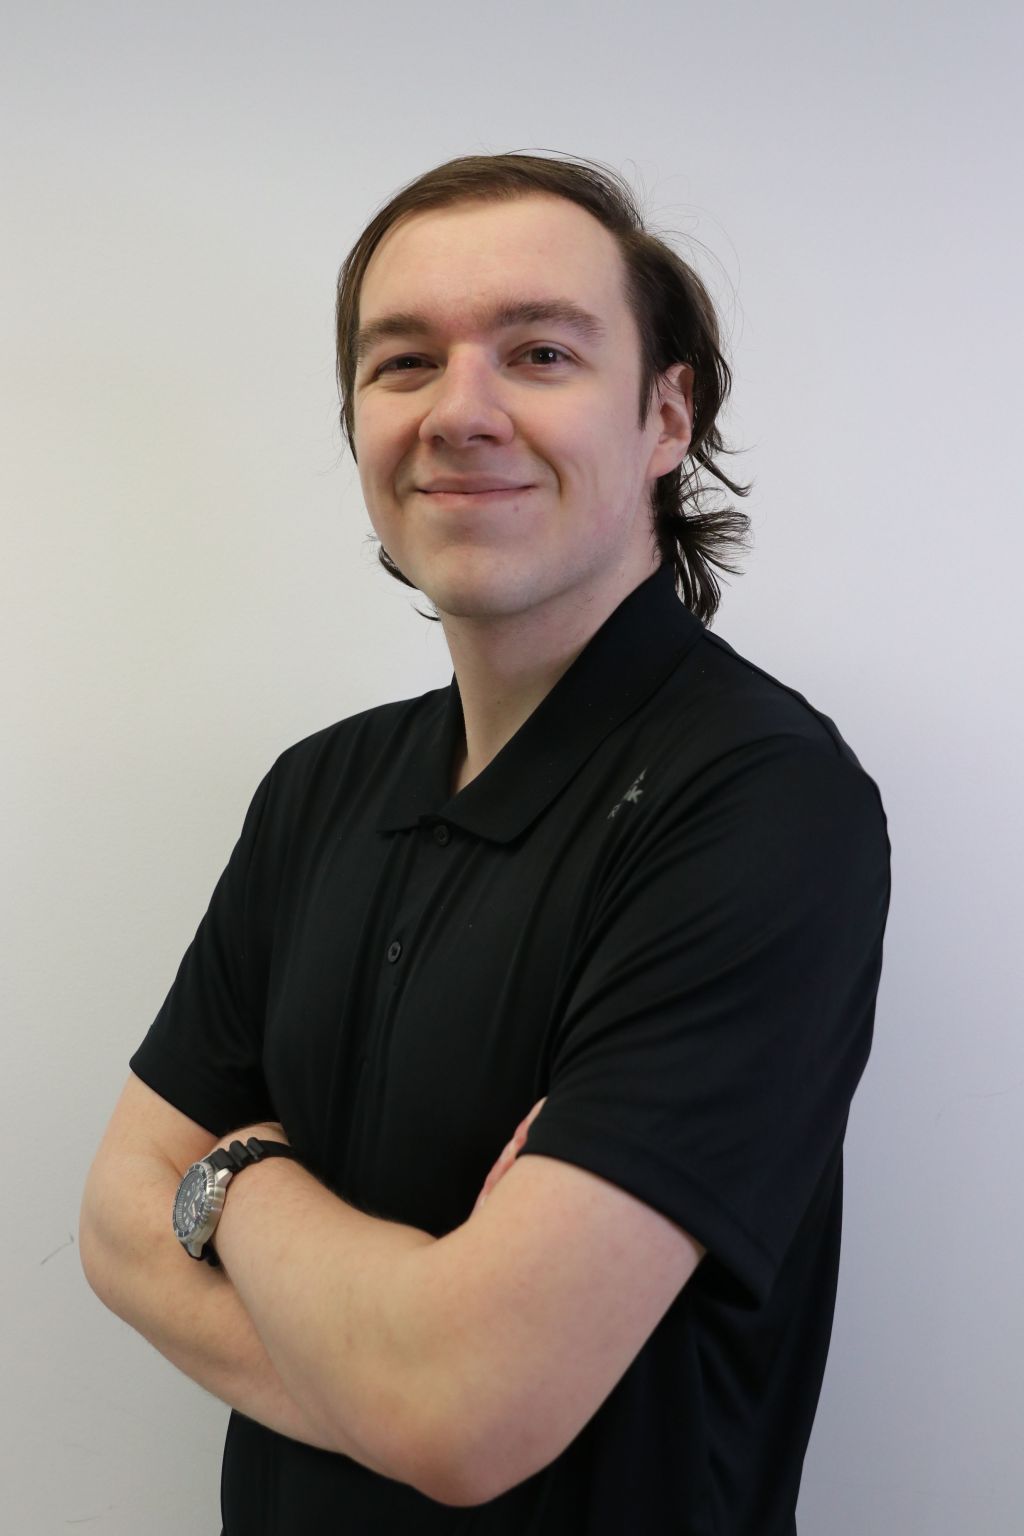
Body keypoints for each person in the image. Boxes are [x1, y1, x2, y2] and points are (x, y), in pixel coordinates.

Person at [79, 151, 892, 1534]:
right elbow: (112, 1224)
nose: (460, 412)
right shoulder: (318, 788)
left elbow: (465, 1410)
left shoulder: (761, 802)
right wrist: (403, 1376)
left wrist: (235, 1177)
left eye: (539, 353)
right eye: (404, 362)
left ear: (666, 415)